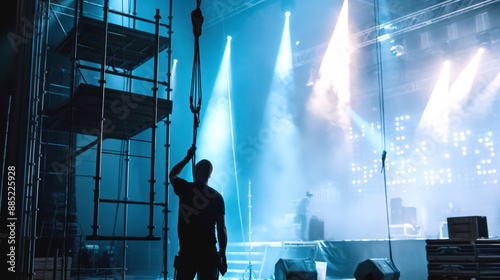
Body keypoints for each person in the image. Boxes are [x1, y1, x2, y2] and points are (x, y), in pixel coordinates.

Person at [169, 145, 228, 280]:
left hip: (187, 251)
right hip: (209, 253)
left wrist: (187, 159)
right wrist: (223, 255)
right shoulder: (217, 197)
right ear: (209, 175)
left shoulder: (184, 188)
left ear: (195, 172)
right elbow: (222, 229)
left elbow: (173, 174)